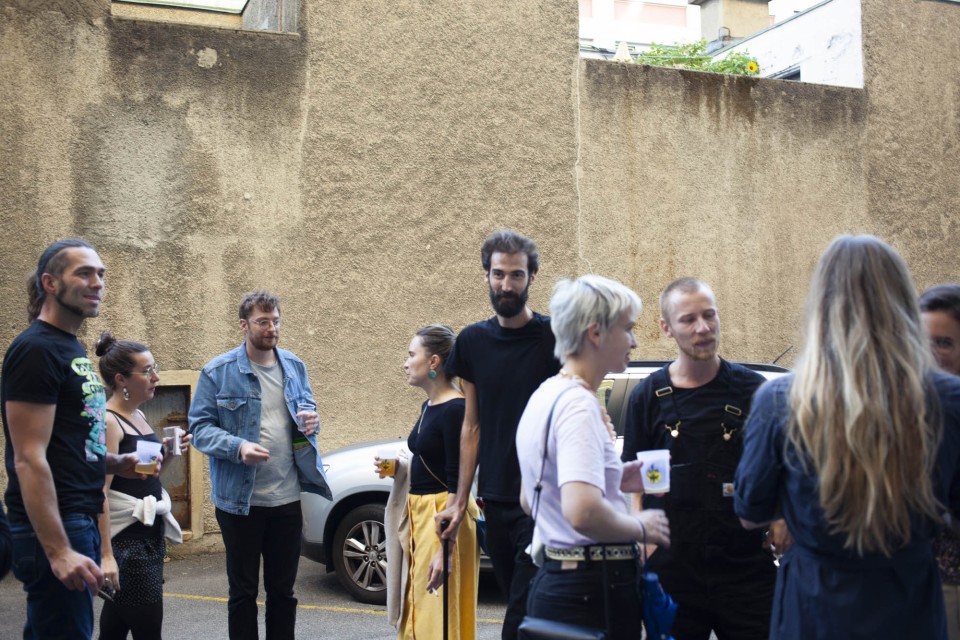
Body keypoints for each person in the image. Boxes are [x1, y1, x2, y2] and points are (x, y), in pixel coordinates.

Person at [735, 235, 960, 639]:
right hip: (908, 604)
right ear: (902, 303)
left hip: (814, 606)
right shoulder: (946, 398)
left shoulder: (782, 400)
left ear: (822, 305)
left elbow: (750, 512)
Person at [620, 277, 777, 640]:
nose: (703, 328)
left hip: (745, 568)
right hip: (674, 570)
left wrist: (782, 516)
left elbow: (782, 464)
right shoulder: (647, 396)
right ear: (667, 328)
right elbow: (637, 482)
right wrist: (641, 537)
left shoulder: (754, 390)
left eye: (709, 315)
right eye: (689, 319)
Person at [515, 275, 671, 639]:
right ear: (595, 333)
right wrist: (641, 525)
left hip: (562, 584)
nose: (634, 341)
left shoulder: (545, 394)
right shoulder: (579, 406)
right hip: (591, 591)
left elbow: (528, 498)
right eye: (628, 328)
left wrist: (610, 477)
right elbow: (582, 511)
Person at [2, 239, 138, 639]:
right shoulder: (36, 349)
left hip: (80, 518)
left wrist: (114, 463)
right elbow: (28, 457)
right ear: (50, 283)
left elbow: (69, 444)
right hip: (58, 523)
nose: (97, 282)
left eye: (101, 274)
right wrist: (59, 550)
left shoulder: (69, 347)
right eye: (84, 273)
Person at [435, 229, 561, 640]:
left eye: (517, 275)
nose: (507, 285)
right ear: (486, 275)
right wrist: (459, 501)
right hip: (495, 499)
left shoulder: (553, 337)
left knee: (522, 614)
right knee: (521, 607)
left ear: (532, 277)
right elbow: (471, 425)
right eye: (499, 274)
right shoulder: (472, 341)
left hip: (542, 500)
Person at [189, 290, 332, 640]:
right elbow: (199, 429)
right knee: (243, 593)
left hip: (286, 498)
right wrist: (238, 447)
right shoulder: (218, 371)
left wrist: (313, 421)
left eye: (276, 321)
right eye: (263, 322)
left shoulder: (295, 366)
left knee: (283, 592)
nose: (272, 328)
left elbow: (307, 416)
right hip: (241, 502)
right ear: (244, 325)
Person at [381, 325, 479, 639]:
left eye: (412, 355)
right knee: (420, 605)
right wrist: (398, 468)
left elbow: (457, 479)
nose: (405, 363)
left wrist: (444, 547)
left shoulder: (455, 409)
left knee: (437, 611)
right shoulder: (430, 406)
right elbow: (431, 459)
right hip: (423, 514)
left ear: (433, 361)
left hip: (441, 516)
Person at [95, 332, 190, 640]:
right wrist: (105, 555)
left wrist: (169, 453)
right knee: (148, 630)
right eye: (147, 371)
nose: (156, 377)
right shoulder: (109, 421)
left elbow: (147, 477)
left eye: (154, 368)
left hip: (148, 537)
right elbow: (99, 492)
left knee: (114, 628)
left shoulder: (137, 415)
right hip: (127, 545)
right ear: (121, 379)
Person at [921, 284, 960, 639]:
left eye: (943, 343)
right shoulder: (906, 413)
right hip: (917, 583)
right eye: (922, 342)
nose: (930, 355)